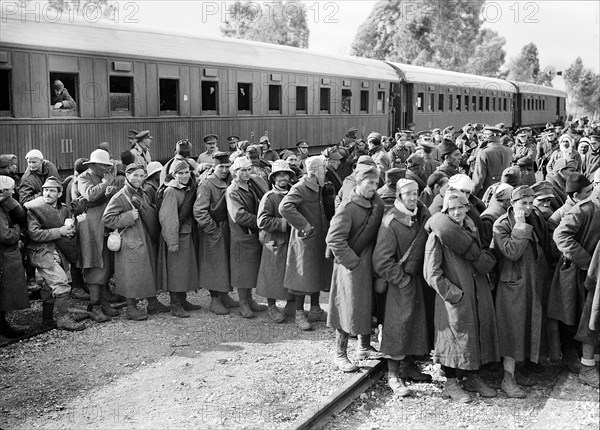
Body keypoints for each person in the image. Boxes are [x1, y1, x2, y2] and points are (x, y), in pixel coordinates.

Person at [425, 191, 499, 402]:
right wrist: (453, 293)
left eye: (461, 207)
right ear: (445, 211)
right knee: (452, 339)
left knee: (473, 336)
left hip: (475, 293)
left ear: (467, 208)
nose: (457, 212)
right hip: (454, 297)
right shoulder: (438, 235)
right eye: (452, 209)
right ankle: (450, 383)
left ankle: (473, 376)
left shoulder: (471, 228)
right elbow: (431, 273)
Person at [493, 185, 554, 398]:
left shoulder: (534, 218)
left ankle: (517, 372)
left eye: (530, 203)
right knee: (512, 330)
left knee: (527, 326)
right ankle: (507, 379)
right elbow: (512, 252)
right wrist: (519, 226)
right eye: (523, 204)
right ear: (512, 204)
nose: (528, 208)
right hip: (512, 285)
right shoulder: (501, 225)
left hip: (531, 282)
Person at [373, 178, 431, 396]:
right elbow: (381, 261)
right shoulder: (391, 222)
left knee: (415, 323)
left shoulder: (417, 215)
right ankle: (393, 375)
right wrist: (402, 279)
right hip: (399, 284)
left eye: (416, 193)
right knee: (397, 326)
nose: (413, 197)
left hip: (414, 281)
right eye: (408, 194)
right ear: (399, 196)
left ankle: (408, 367)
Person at [327, 165, 384, 372]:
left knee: (365, 305)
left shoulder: (373, 203)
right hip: (350, 268)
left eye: (377, 183)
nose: (374, 188)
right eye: (370, 183)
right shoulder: (348, 207)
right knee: (346, 308)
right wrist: (354, 263)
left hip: (367, 265)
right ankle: (340, 354)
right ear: (358, 183)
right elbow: (334, 239)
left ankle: (364, 347)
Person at [551, 170, 600, 388]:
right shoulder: (584, 209)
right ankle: (585, 366)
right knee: (584, 318)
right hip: (582, 273)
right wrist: (589, 263)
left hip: (593, 273)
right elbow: (560, 236)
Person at [103, 164, 169, 321]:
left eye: (141, 175)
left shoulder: (142, 194)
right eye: (135, 175)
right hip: (129, 242)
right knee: (130, 275)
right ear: (127, 175)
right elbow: (107, 219)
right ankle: (131, 308)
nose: (139, 179)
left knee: (148, 272)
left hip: (143, 239)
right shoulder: (120, 197)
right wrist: (127, 217)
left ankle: (152, 303)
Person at [24, 177, 84, 331]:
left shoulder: (63, 208)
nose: (48, 193)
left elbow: (67, 227)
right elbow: (35, 234)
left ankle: (48, 320)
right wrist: (60, 231)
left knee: (48, 287)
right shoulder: (35, 208)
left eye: (52, 190)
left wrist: (70, 231)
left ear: (59, 193)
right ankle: (64, 319)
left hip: (59, 251)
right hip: (42, 253)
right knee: (61, 283)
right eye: (45, 190)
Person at [280, 156, 331, 330]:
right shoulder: (300, 187)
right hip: (305, 239)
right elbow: (285, 206)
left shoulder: (318, 187)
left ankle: (315, 309)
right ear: (316, 171)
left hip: (318, 237)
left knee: (316, 272)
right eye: (323, 168)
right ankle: (299, 313)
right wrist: (304, 225)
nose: (325, 171)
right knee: (302, 276)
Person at [77, 149, 121, 322]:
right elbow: (90, 194)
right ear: (93, 165)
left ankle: (102, 302)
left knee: (105, 264)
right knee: (94, 263)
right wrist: (105, 184)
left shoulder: (105, 177)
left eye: (107, 165)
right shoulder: (83, 177)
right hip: (90, 228)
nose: (106, 168)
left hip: (104, 225)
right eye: (103, 165)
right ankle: (94, 306)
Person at [193, 152, 239, 315]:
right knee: (214, 264)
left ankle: (224, 294)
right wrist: (213, 230)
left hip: (228, 229)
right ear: (214, 167)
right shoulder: (206, 184)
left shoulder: (231, 181)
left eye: (227, 166)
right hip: (214, 230)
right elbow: (199, 211)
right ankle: (215, 299)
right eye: (221, 167)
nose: (225, 170)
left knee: (225, 262)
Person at [157, 160, 201, 318]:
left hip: (186, 234)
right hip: (176, 236)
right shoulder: (171, 191)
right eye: (180, 173)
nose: (184, 176)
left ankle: (183, 300)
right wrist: (172, 240)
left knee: (184, 270)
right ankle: (175, 304)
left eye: (186, 172)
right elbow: (167, 218)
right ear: (174, 175)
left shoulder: (188, 188)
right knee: (176, 271)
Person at [225, 156, 267, 319]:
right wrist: (262, 222)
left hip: (251, 233)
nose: (247, 173)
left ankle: (250, 299)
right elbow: (239, 215)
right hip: (241, 235)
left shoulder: (251, 185)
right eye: (242, 170)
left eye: (249, 169)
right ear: (235, 172)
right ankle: (243, 302)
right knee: (242, 271)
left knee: (250, 269)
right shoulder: (233, 190)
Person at [256, 160, 296, 323]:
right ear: (273, 178)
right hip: (274, 241)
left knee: (290, 272)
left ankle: (290, 303)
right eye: (278, 175)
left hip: (291, 241)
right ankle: (271, 306)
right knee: (272, 275)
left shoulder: (294, 194)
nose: (282, 178)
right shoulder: (269, 197)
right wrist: (284, 223)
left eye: (285, 175)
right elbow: (262, 221)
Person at [0, 176, 29, 338]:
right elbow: (5, 235)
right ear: (4, 191)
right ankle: (2, 326)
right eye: (11, 189)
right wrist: (17, 230)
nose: (14, 191)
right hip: (4, 254)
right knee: (4, 292)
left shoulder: (4, 204)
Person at [472, 126, 513, 198]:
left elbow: (478, 179)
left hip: (488, 192)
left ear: (486, 137)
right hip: (505, 189)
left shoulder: (484, 152)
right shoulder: (508, 150)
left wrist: (472, 194)